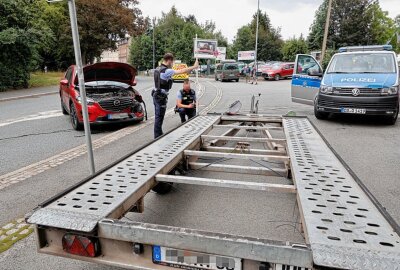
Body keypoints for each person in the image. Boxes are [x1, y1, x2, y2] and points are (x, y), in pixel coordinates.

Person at [152, 53, 199, 138]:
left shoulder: (158, 68)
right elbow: (181, 71)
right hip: (160, 97)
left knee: (157, 117)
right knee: (159, 117)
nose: (172, 63)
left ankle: (158, 134)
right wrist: (194, 67)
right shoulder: (167, 71)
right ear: (169, 60)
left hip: (155, 95)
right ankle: (157, 136)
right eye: (172, 62)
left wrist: (189, 70)